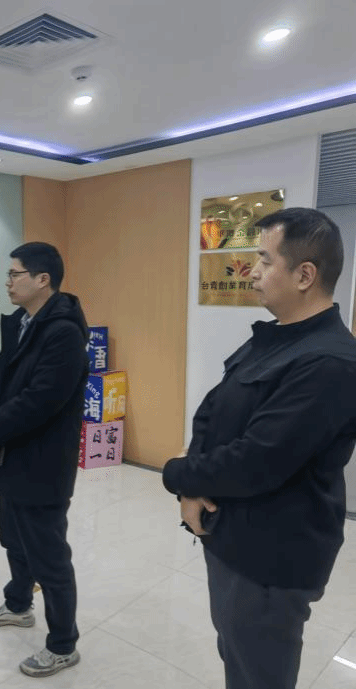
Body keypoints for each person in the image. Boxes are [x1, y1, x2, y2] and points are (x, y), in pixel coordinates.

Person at [163, 207, 356, 689]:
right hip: (231, 535)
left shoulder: (330, 362)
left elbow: (258, 461)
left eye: (265, 261)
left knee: (259, 673)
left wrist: (177, 474)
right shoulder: (275, 338)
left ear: (305, 275)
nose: (251, 272)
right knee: (237, 653)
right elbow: (213, 411)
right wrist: (191, 488)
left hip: (271, 557)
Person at [0, 242, 88, 678]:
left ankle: (63, 644)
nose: (8, 282)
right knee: (13, 538)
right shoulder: (23, 323)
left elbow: (39, 402)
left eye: (14, 274)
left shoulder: (63, 333)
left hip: (43, 463)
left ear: (42, 280)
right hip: (12, 455)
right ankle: (18, 604)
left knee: (49, 557)